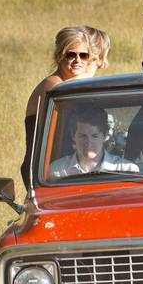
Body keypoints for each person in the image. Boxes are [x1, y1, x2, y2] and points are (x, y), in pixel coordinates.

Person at [21, 27, 93, 190]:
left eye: (83, 55)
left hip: (63, 167)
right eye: (70, 54)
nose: (78, 60)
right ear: (59, 55)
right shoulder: (55, 85)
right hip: (49, 172)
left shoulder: (69, 83)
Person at [49, 106, 139, 178]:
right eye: (82, 136)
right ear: (73, 136)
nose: (88, 142)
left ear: (105, 136)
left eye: (95, 136)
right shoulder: (57, 170)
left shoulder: (126, 170)